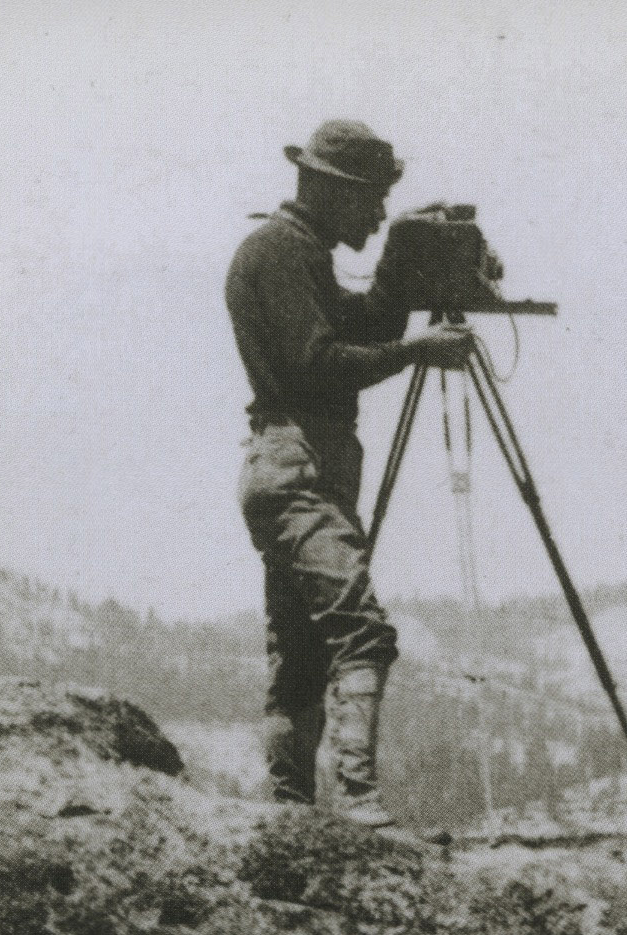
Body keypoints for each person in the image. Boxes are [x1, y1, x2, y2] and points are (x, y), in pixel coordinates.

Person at [224, 120, 472, 823]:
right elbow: (320, 361)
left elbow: (362, 330)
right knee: (361, 632)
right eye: (373, 204)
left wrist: (399, 262)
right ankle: (357, 803)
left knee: (302, 651)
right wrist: (422, 350)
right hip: (298, 464)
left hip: (308, 462)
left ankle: (291, 814)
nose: (378, 215)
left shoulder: (300, 252)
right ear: (331, 192)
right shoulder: (276, 253)